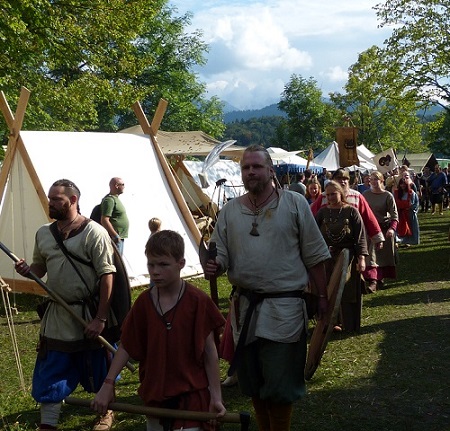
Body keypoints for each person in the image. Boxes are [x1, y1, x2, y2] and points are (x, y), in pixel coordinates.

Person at [203, 145, 331, 431]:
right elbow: (219, 251)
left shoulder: (294, 204)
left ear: (271, 170)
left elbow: (315, 255)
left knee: (280, 383)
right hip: (244, 310)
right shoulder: (230, 211)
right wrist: (216, 264)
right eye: (246, 167)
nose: (251, 172)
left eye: (257, 167)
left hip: (284, 309)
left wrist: (322, 296)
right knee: (253, 382)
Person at [91, 230, 226, 431]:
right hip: (155, 400)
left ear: (181, 263)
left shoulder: (198, 301)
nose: (155, 271)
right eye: (151, 264)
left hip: (191, 400)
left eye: (163, 265)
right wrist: (108, 384)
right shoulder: (144, 303)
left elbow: (210, 353)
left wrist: (216, 397)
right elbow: (126, 346)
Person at [14, 179, 116, 431]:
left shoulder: (94, 233)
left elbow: (107, 275)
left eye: (56, 199)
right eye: (50, 198)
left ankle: (106, 412)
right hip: (58, 315)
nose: (50, 203)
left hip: (87, 314)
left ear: (73, 200)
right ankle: (48, 424)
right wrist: (28, 270)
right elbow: (40, 268)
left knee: (98, 366)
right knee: (52, 366)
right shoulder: (44, 233)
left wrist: (100, 318)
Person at [315, 181, 368, 332]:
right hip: (327, 258)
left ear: (341, 193)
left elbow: (360, 237)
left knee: (347, 291)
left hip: (347, 257)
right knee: (329, 290)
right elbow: (314, 235)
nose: (330, 197)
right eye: (328, 195)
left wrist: (361, 258)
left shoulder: (351, 212)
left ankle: (349, 324)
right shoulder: (322, 213)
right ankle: (331, 323)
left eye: (333, 194)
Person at [310, 168, 384, 247]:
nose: (342, 181)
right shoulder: (324, 197)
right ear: (333, 181)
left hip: (352, 242)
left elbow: (368, 217)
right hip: (327, 242)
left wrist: (377, 238)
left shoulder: (357, 197)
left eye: (345, 179)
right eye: (339, 179)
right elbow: (311, 217)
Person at [363, 171, 399, 292]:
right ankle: (373, 281)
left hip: (384, 230)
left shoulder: (387, 196)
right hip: (370, 230)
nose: (373, 182)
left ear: (382, 180)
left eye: (376, 179)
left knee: (382, 257)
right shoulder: (365, 195)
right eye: (371, 179)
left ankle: (380, 278)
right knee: (371, 256)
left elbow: (394, 215)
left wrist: (392, 228)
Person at [101, 177, 129, 254]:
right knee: (115, 261)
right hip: (115, 239)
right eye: (122, 184)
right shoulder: (109, 200)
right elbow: (104, 220)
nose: (124, 187)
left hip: (119, 238)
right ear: (116, 186)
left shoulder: (115, 199)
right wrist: (115, 236)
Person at [395, 178, 420, 246]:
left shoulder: (411, 193)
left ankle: (409, 241)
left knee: (410, 228)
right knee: (399, 228)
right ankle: (398, 241)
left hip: (409, 214)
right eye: (401, 184)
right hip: (399, 214)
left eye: (404, 184)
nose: (402, 185)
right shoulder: (396, 193)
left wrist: (412, 209)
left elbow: (416, 203)